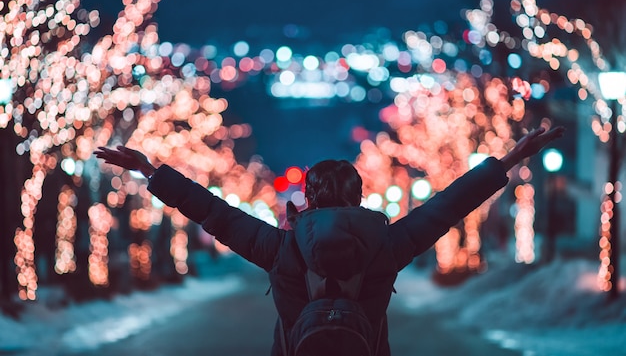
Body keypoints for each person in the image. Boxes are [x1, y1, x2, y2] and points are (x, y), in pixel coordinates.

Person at [95, 126, 564, 356]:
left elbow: (213, 213)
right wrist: (509, 158)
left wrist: (151, 171)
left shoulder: (282, 247)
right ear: (359, 196)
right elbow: (448, 206)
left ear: (308, 198)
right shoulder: (386, 244)